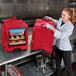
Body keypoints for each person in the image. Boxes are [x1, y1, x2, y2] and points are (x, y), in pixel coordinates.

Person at [44, 8, 74, 76]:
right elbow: (57, 22)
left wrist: (51, 28)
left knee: (68, 67)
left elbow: (61, 35)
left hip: (65, 49)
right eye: (61, 14)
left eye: (64, 15)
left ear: (69, 16)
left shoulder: (70, 26)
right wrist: (51, 19)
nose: (62, 16)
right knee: (57, 65)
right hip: (58, 46)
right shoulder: (61, 20)